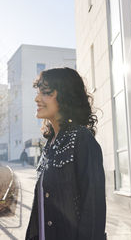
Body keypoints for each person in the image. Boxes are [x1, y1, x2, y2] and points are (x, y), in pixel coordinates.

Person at [25, 67, 106, 240]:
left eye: (46, 92)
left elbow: (93, 212)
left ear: (66, 95)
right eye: (38, 92)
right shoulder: (49, 144)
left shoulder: (82, 140)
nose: (37, 98)